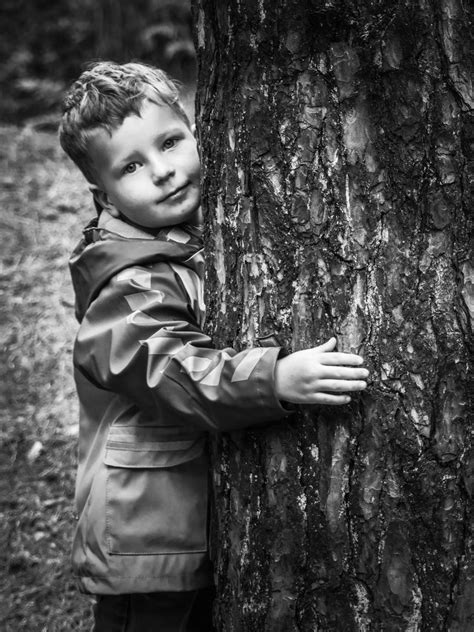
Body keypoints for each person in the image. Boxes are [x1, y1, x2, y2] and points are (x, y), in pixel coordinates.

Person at [59, 61, 369, 632]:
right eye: (131, 166)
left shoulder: (184, 240)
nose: (163, 172)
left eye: (171, 142)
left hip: (183, 527)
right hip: (144, 544)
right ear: (101, 192)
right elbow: (167, 371)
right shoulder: (126, 286)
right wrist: (270, 378)